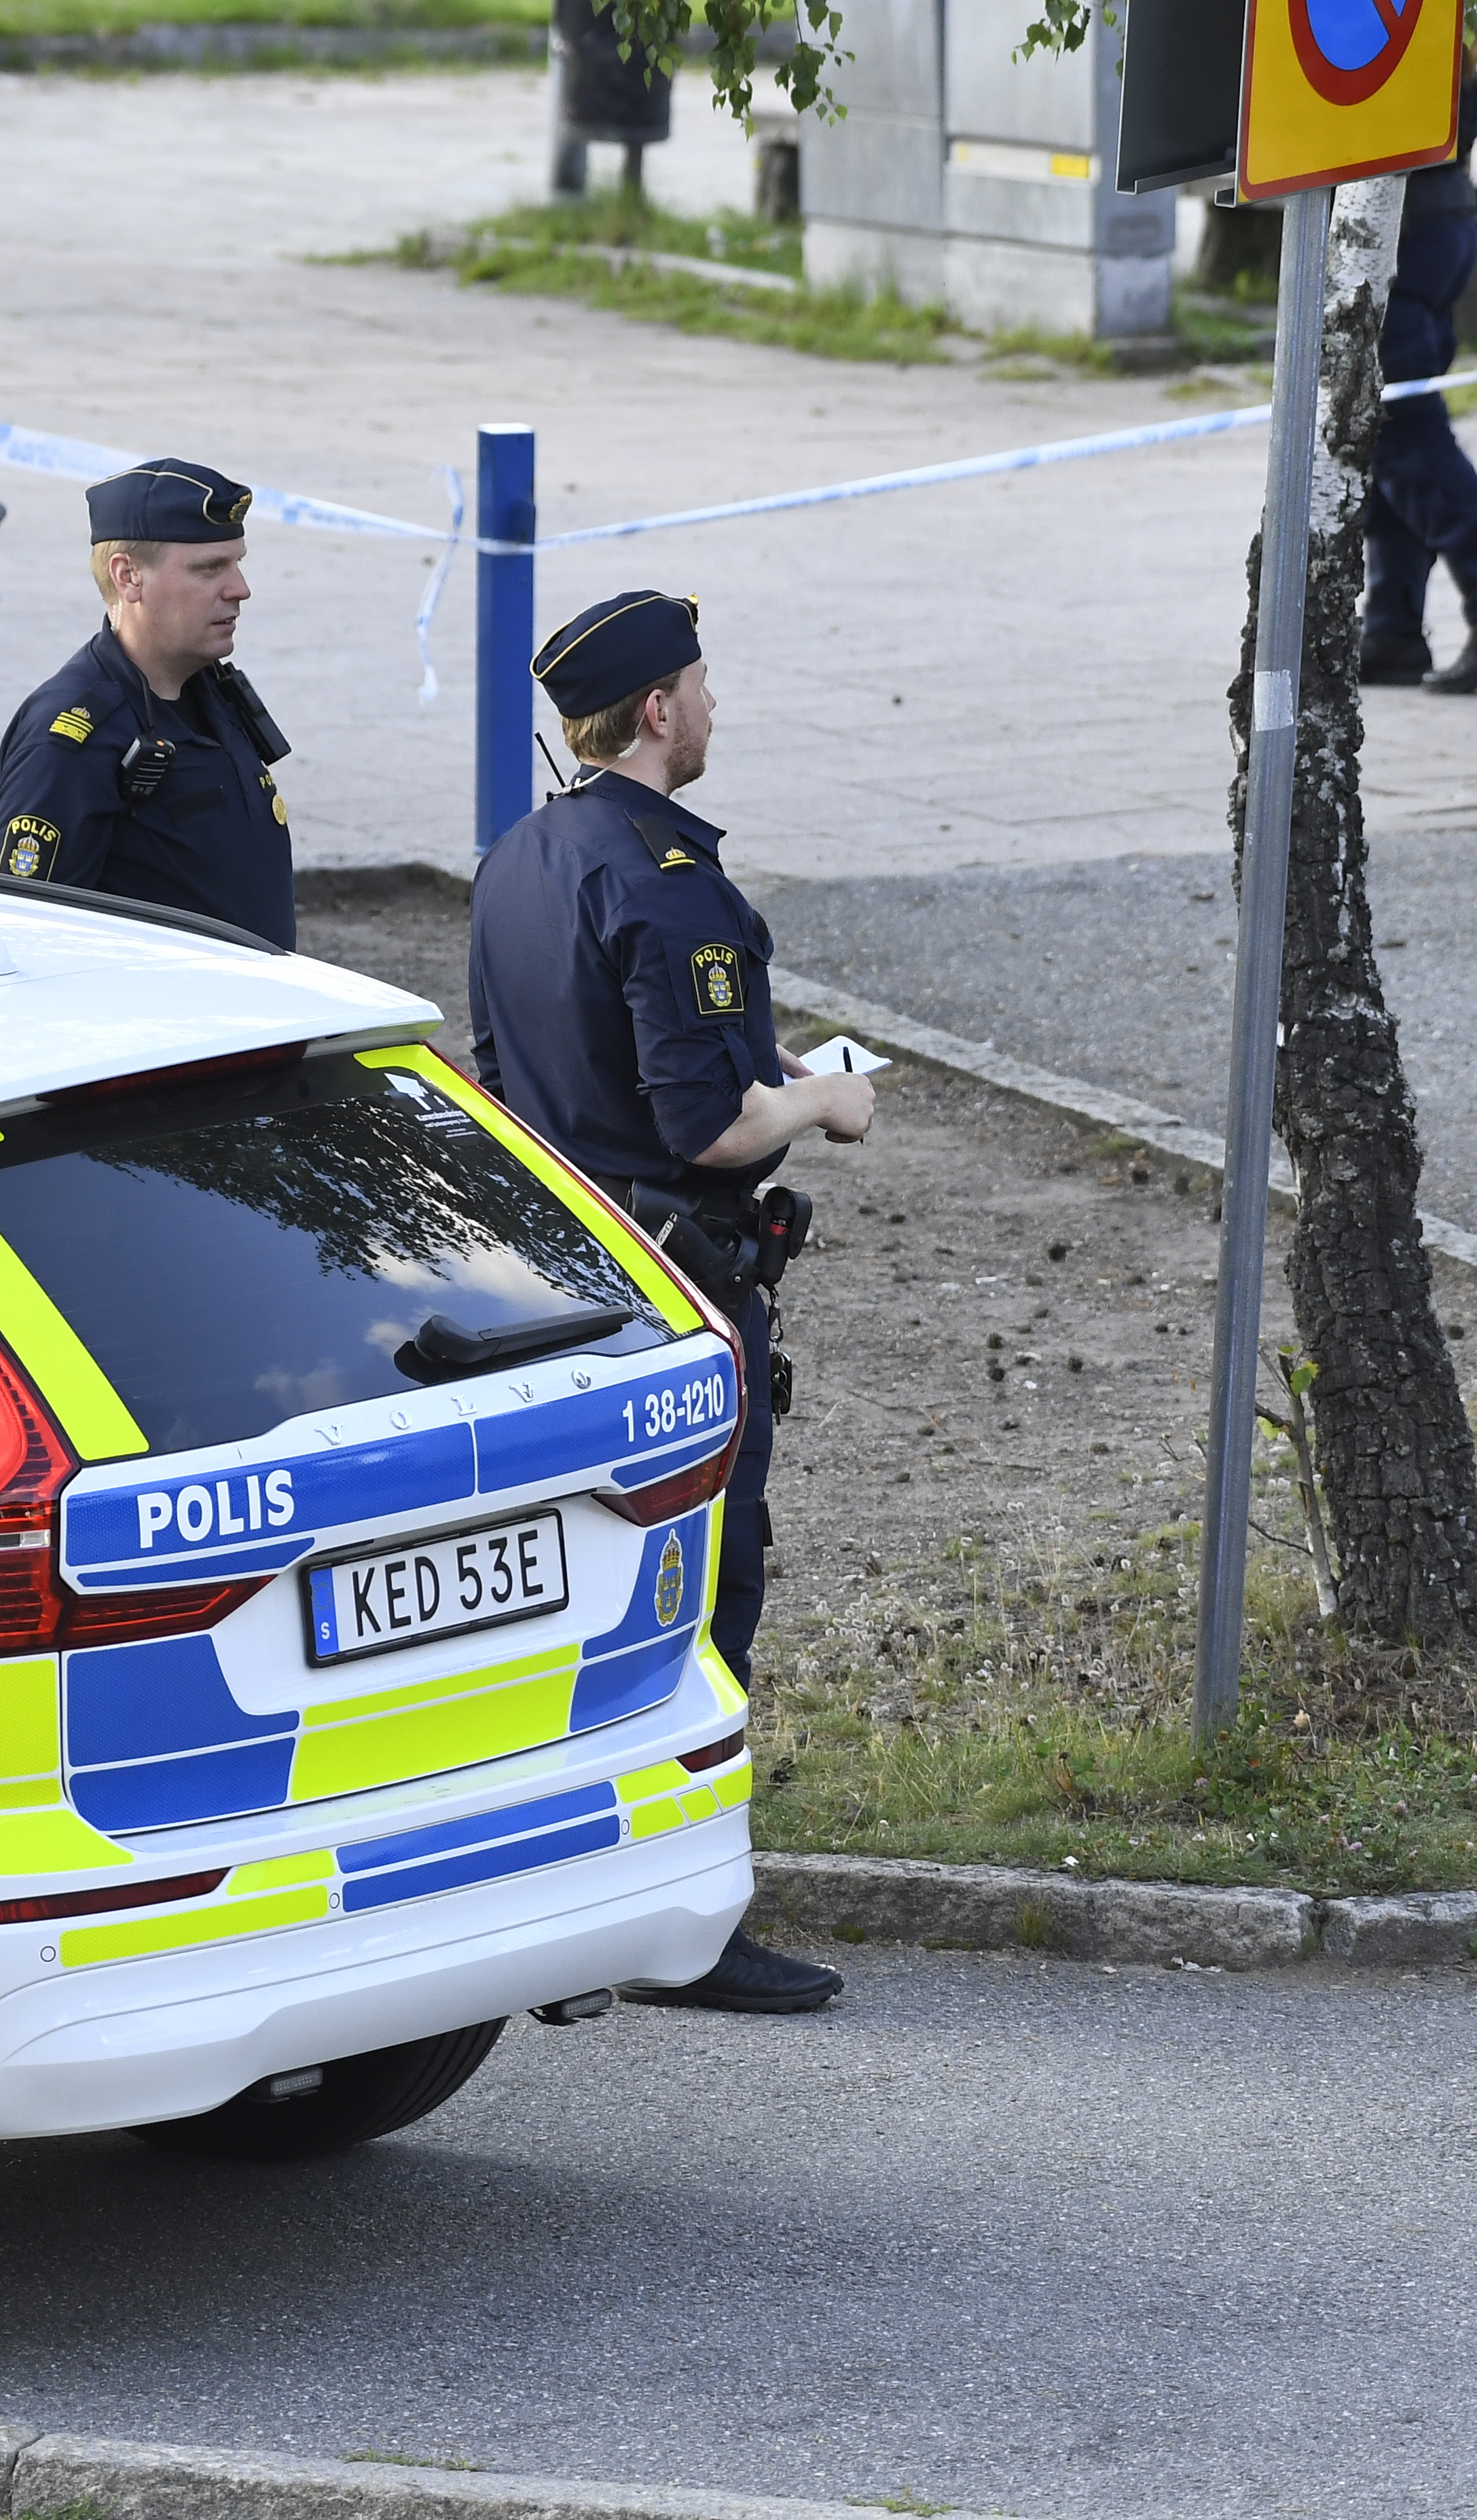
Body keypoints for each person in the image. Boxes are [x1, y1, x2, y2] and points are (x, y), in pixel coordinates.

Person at [467, 589, 872, 2014]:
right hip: (683, 1287)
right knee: (705, 1587)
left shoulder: (517, 857)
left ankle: (570, 1898)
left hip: (561, 1282)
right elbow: (712, 1123)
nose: (712, 708)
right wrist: (826, 1100)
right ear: (655, 711)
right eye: (700, 685)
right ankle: (682, 1926)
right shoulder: (669, 880)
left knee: (585, 1591)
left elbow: (498, 1087)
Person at [0, 458, 297, 946]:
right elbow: (31, 940)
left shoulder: (209, 692)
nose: (241, 589)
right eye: (210, 569)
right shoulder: (71, 741)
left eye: (238, 563)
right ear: (129, 576)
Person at [1359, 59, 1477, 697]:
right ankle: (1392, 631)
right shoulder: (1437, 28)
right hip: (1437, 226)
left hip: (1402, 238)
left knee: (1408, 436)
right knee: (1387, 440)